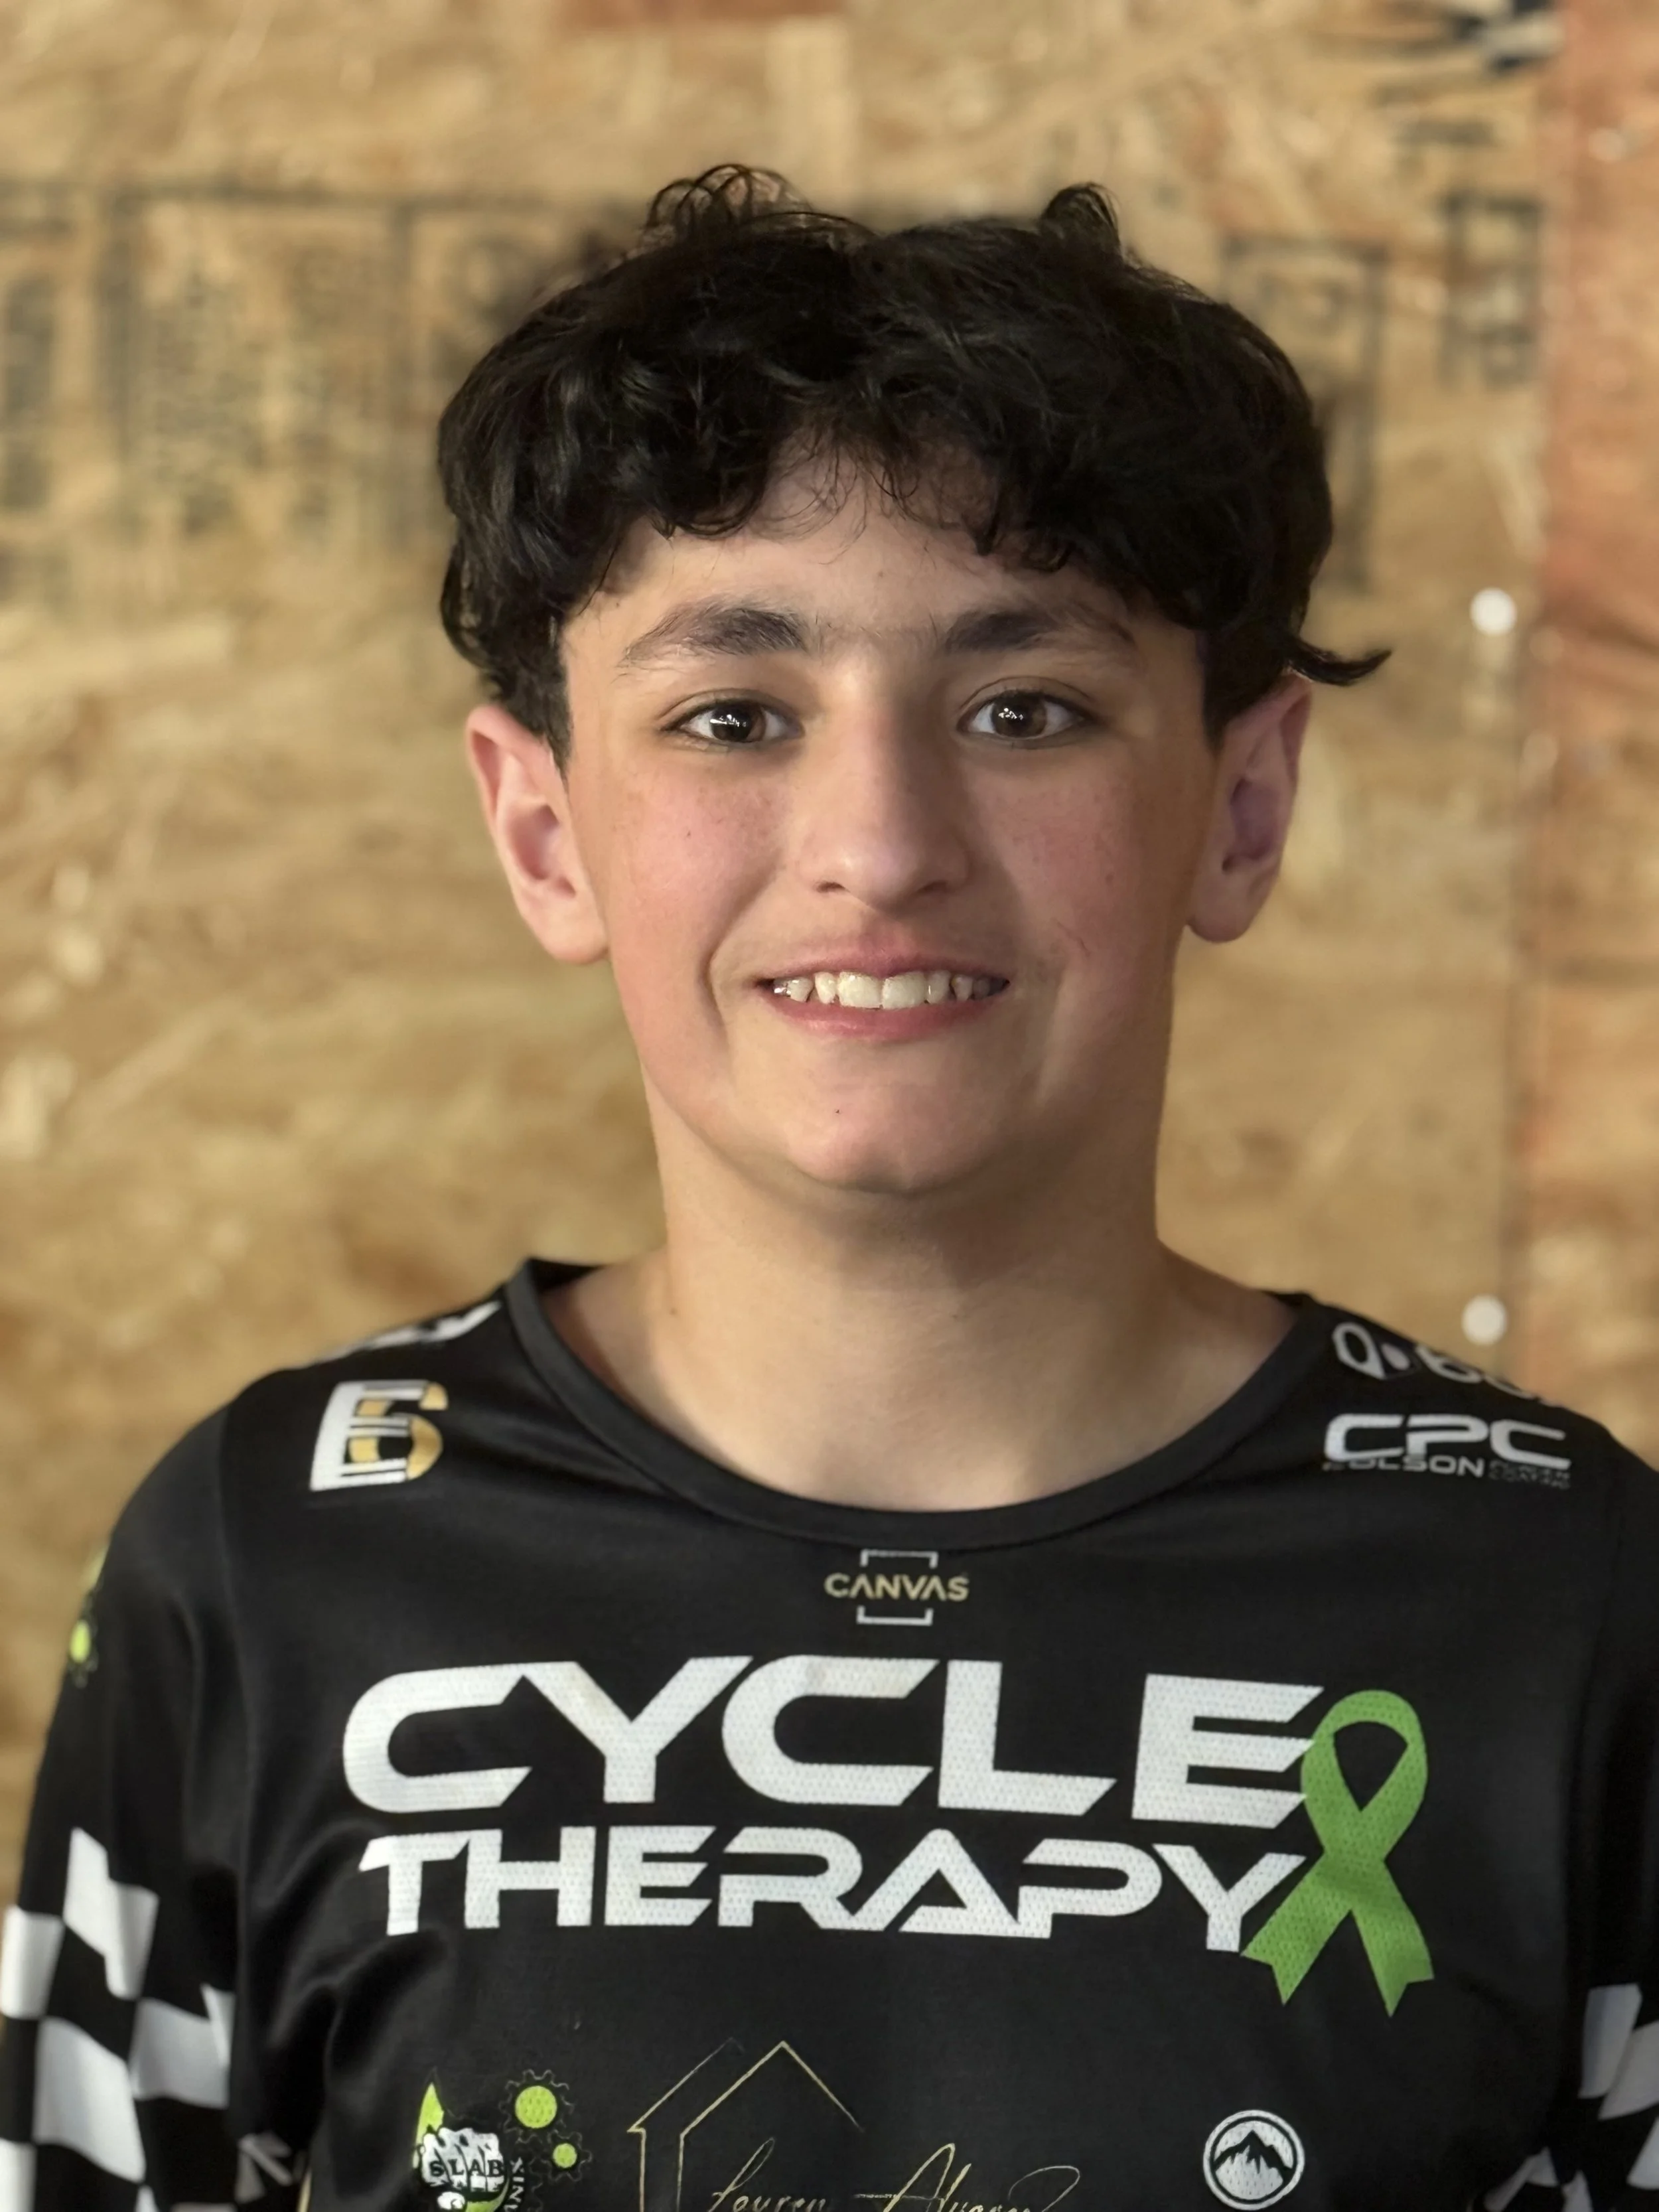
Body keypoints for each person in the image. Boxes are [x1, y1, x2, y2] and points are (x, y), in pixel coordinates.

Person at [1, 169, 1654, 2212]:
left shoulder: (1561, 1601)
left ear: (1240, 804)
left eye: (1020, 708)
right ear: (543, 833)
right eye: (732, 715)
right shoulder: (274, 1561)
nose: (878, 839)